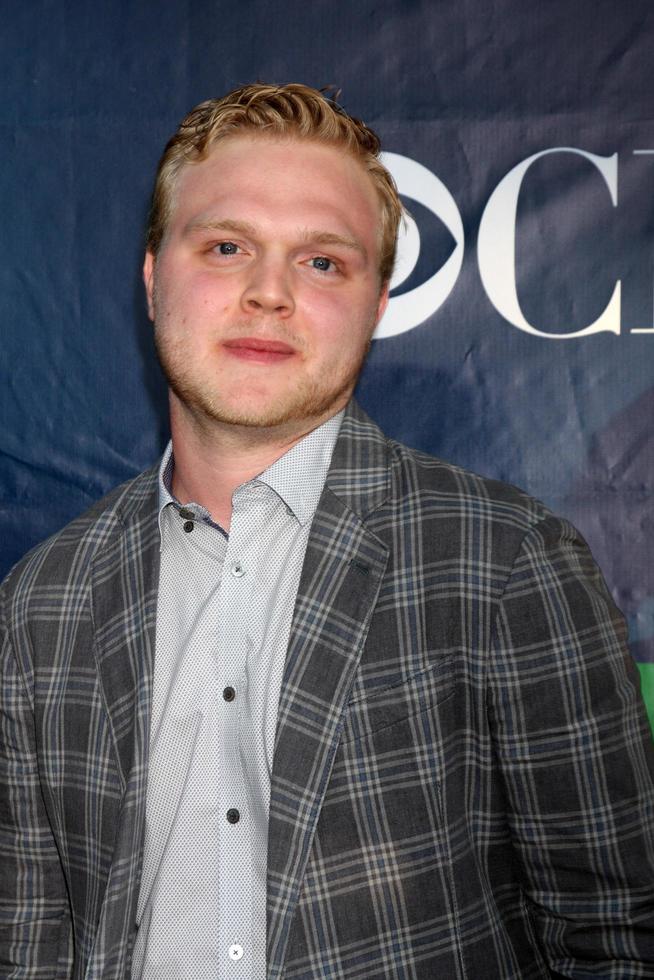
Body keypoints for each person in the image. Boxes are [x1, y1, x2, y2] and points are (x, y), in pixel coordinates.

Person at [1, 83, 653, 980]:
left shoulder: (505, 564)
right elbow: (25, 941)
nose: (269, 293)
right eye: (227, 247)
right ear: (153, 279)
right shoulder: (42, 600)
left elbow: (617, 935)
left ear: (377, 303)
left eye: (321, 264)